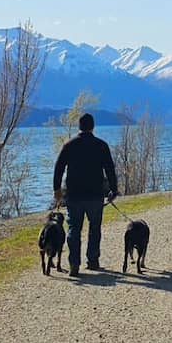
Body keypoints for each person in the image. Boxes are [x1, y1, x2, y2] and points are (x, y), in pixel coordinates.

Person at [53, 112, 118, 277]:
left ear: (79, 127)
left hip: (74, 195)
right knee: (94, 228)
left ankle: (74, 263)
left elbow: (58, 168)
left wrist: (57, 190)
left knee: (74, 228)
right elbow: (110, 169)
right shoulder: (101, 145)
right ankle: (93, 261)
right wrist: (113, 189)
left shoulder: (69, 145)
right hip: (95, 195)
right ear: (93, 127)